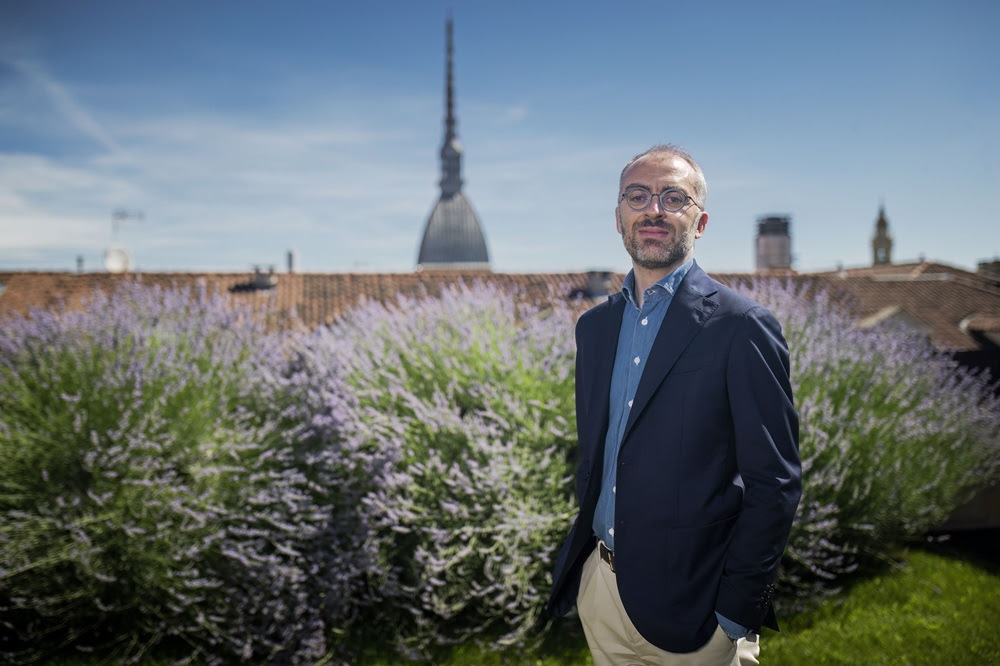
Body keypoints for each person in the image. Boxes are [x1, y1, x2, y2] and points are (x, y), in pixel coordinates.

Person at [547, 145, 801, 665]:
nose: (653, 209)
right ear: (618, 217)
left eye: (673, 197)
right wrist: (589, 576)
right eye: (637, 196)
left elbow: (775, 483)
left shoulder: (741, 326)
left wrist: (736, 611)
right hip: (604, 593)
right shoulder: (593, 329)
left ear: (700, 221)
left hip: (699, 606)